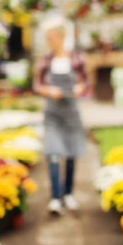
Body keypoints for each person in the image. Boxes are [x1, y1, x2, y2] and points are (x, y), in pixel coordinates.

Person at [33, 19, 87, 215]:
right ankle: (56, 197)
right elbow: (37, 85)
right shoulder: (45, 61)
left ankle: (68, 194)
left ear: (62, 37)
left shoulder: (76, 59)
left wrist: (79, 88)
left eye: (51, 37)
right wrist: (48, 90)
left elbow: (85, 83)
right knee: (53, 153)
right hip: (53, 113)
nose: (49, 41)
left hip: (71, 112)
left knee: (71, 153)